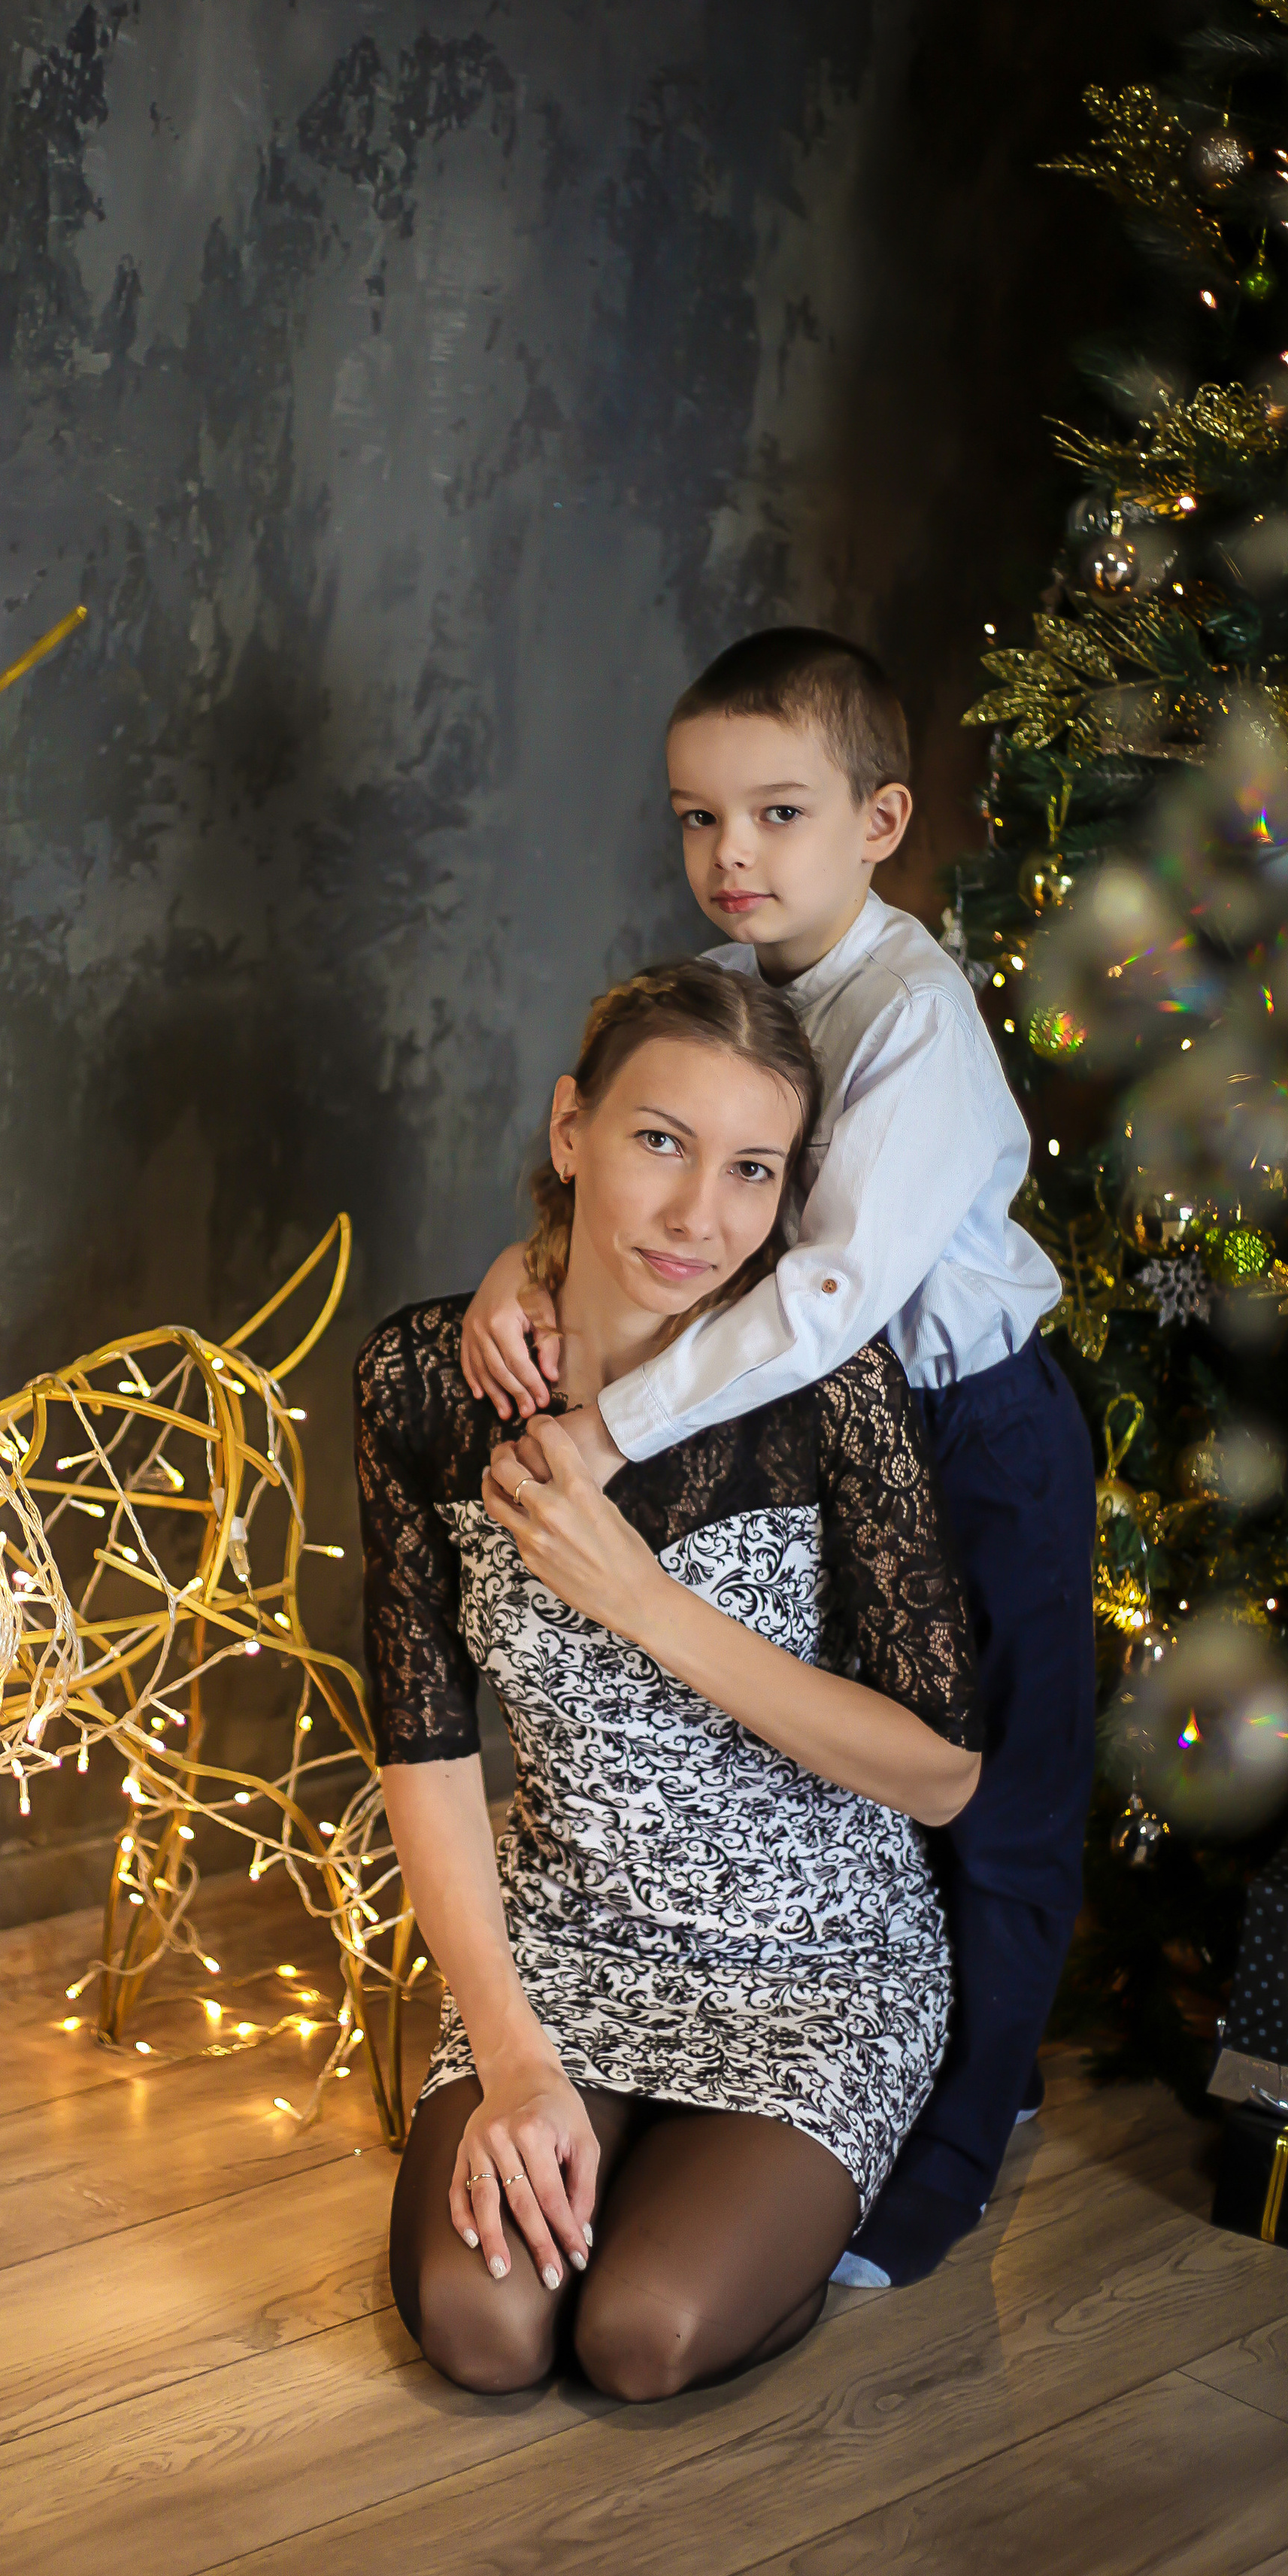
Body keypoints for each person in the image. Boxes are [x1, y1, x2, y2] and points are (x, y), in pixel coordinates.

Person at [459, 627, 1096, 2289]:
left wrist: (600, 1427)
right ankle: (810, 2093)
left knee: (998, 1797)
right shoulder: (735, 987)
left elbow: (816, 1292)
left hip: (973, 1426)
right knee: (836, 1750)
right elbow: (644, 1159)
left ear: (879, 822)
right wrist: (515, 1269)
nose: (728, 855)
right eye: (694, 818)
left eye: (776, 814)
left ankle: (948, 2160)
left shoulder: (913, 1019)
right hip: (806, 1424)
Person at [357, 960, 979, 2401]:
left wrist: (639, 1601)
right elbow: (430, 1753)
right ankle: (590, 2126)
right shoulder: (423, 1386)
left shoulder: (826, 1387)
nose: (702, 1215)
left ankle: (761, 2201)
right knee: (484, 2333)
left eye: (753, 1169)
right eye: (660, 1142)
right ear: (571, 1130)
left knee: (642, 2336)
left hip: (815, 1970)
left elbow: (942, 1775)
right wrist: (513, 2058)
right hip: (559, 1956)